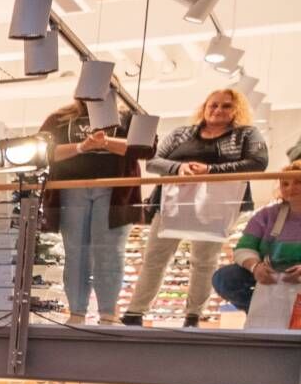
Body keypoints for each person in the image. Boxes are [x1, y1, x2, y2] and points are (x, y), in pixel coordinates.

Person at [124, 89, 271, 327]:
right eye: (213, 105)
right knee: (155, 257)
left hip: (217, 206)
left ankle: (193, 315)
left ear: (236, 110)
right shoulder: (181, 134)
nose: (218, 110)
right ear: (204, 106)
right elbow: (153, 161)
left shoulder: (246, 134)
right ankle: (135, 311)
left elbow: (257, 162)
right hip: (172, 203)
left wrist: (211, 171)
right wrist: (178, 169)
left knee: (204, 260)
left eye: (226, 106)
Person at [41, 98, 144, 324]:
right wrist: (82, 146)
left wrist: (105, 142)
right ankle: (76, 312)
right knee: (76, 253)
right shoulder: (59, 118)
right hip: (71, 188)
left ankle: (108, 313)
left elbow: (147, 148)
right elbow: (43, 151)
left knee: (109, 252)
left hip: (116, 191)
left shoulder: (130, 117)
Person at [214, 159, 301, 316]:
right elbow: (243, 248)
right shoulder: (267, 215)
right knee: (224, 277)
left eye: (298, 182)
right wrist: (255, 267)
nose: (291, 188)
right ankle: (257, 310)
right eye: (285, 184)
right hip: (271, 275)